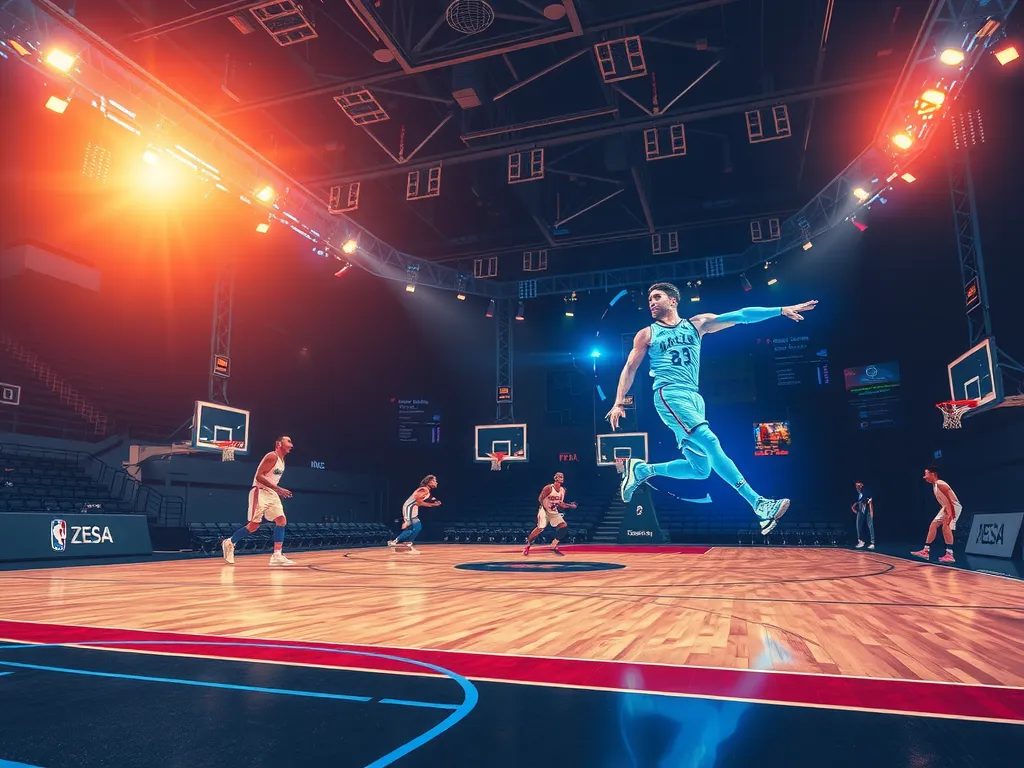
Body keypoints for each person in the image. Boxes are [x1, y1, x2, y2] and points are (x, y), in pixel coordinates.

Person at [606, 283, 818, 535]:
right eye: (650, 298)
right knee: (710, 441)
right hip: (669, 393)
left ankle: (642, 470)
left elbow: (741, 316)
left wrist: (780, 310)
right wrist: (619, 401)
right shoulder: (647, 334)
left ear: (673, 300)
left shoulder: (698, 324)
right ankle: (758, 504)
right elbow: (630, 368)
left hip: (694, 398)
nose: (651, 302)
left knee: (700, 470)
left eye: (657, 297)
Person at [221, 435, 296, 566]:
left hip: (271, 493)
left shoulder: (282, 460)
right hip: (260, 491)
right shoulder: (271, 456)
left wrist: (276, 490)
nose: (291, 445)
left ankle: (277, 555)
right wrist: (279, 489)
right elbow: (259, 476)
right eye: (288, 441)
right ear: (278, 443)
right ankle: (230, 542)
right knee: (254, 525)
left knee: (281, 520)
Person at [911, 466, 961, 564]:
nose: (924, 477)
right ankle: (926, 551)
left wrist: (951, 513)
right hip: (946, 507)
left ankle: (950, 555)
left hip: (953, 507)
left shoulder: (940, 483)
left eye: (926, 474)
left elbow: (951, 498)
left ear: (933, 474)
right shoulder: (934, 486)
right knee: (933, 525)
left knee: (946, 527)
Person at [523, 472, 578, 556]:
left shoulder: (563, 490)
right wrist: (546, 505)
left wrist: (570, 506)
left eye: (562, 476)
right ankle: (528, 545)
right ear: (555, 478)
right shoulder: (548, 488)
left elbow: (561, 504)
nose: (561, 478)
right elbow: (540, 499)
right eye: (559, 476)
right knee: (540, 528)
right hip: (544, 510)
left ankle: (553, 544)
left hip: (553, 511)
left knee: (563, 526)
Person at [388, 475, 440, 555]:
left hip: (413, 509)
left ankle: (395, 542)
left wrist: (435, 501)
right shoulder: (423, 490)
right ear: (428, 482)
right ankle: (407, 545)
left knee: (412, 529)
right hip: (409, 509)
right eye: (434, 481)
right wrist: (433, 505)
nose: (436, 482)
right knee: (416, 527)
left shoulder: (426, 491)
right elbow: (419, 502)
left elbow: (430, 498)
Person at [851, 481, 875, 549]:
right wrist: (853, 507)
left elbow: (870, 502)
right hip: (860, 510)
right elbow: (857, 501)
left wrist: (871, 512)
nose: (856, 487)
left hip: (866, 509)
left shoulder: (866, 491)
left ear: (861, 485)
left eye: (858, 485)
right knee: (858, 525)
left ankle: (872, 542)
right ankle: (861, 541)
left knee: (870, 525)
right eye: (856, 486)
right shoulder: (858, 493)